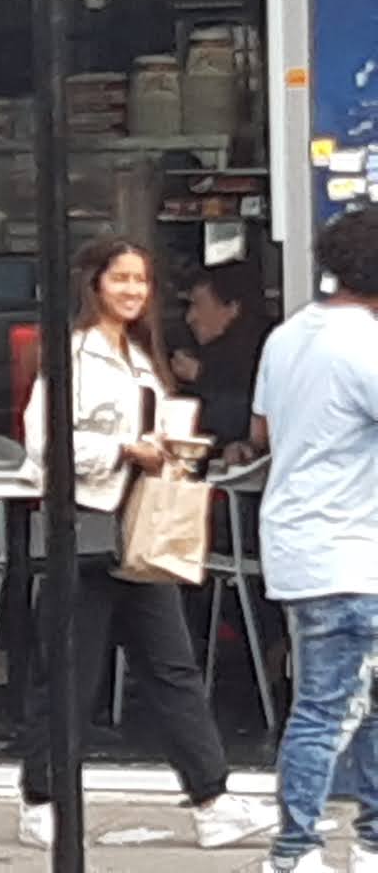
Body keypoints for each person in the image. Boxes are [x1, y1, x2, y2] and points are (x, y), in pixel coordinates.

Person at [16, 238, 276, 852]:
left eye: (141, 280)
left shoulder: (138, 357)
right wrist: (121, 451)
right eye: (121, 278)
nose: (133, 290)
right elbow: (42, 445)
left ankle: (212, 798)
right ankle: (42, 798)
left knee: (172, 666)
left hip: (141, 528)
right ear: (95, 284)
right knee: (69, 672)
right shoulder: (71, 356)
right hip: (84, 525)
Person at [249, 209, 378, 873]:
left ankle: (365, 841)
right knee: (328, 710)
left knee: (344, 702)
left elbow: (263, 431)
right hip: (353, 551)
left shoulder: (288, 335)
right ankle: (295, 850)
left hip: (297, 544)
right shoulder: (365, 345)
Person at [173, 262, 268, 451]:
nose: (190, 317)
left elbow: (238, 420)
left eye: (197, 306)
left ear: (232, 308)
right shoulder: (198, 353)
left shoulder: (258, 356)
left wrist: (203, 376)